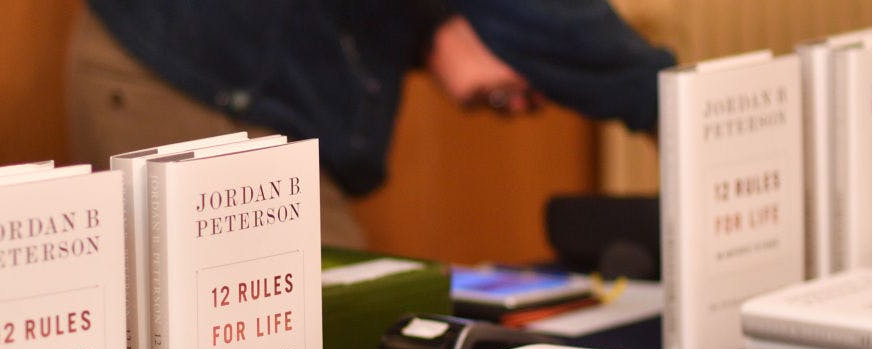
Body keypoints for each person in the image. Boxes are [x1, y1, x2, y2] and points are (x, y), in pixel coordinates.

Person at [68, 0, 675, 247]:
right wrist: (657, 93)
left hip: (228, 71)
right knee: (312, 339)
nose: (527, 104)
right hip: (182, 69)